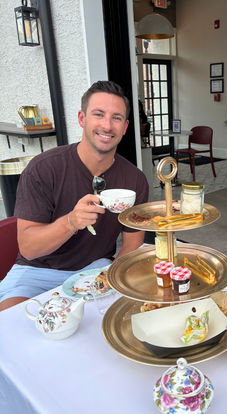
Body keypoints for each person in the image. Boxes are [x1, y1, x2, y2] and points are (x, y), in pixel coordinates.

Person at [0, 80, 149, 311]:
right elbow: (28, 248)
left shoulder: (135, 180)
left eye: (116, 118)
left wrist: (111, 279)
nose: (107, 125)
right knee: (9, 328)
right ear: (82, 119)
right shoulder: (44, 168)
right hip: (36, 273)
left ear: (125, 127)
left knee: (120, 323)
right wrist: (70, 222)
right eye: (98, 114)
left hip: (96, 268)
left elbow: (132, 243)